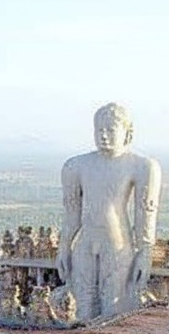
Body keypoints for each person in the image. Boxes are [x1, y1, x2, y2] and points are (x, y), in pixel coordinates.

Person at [59, 102, 163, 320]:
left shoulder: (142, 166)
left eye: (110, 130)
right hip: (85, 243)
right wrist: (64, 247)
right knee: (84, 309)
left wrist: (145, 251)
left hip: (118, 244)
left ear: (127, 132)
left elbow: (145, 212)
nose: (103, 136)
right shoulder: (76, 166)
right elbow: (72, 214)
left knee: (113, 309)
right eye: (99, 130)